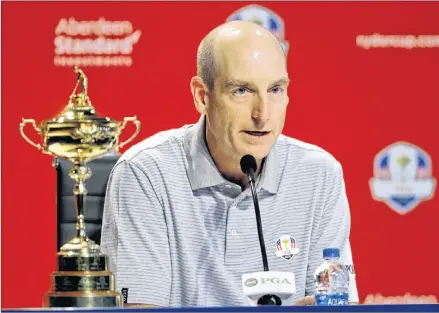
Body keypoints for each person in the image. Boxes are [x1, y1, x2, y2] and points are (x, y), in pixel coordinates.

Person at [100, 20, 359, 307]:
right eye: (242, 91)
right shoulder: (146, 174)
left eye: (275, 90)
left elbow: (334, 301)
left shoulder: (319, 174)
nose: (262, 114)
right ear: (202, 96)